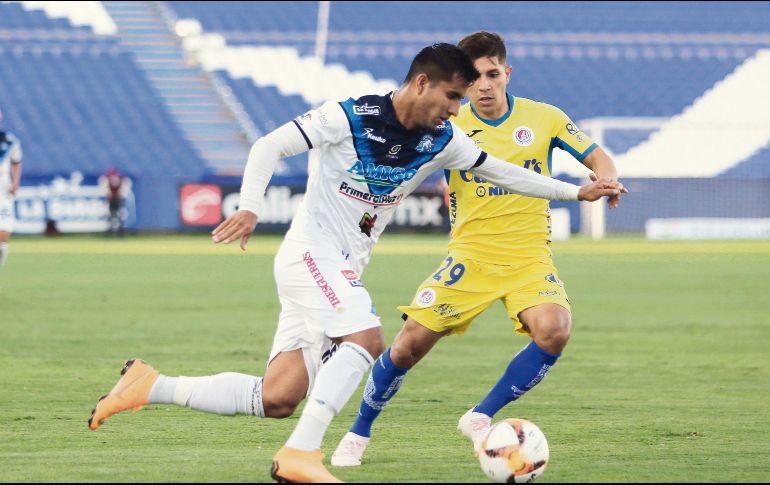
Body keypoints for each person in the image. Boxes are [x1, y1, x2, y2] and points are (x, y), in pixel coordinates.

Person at [87, 43, 622, 483]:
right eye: (453, 96)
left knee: (277, 396)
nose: (458, 109)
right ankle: (301, 455)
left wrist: (576, 192)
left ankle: (150, 385)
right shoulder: (350, 116)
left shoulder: (442, 139)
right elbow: (269, 146)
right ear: (422, 84)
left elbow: (503, 172)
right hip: (310, 255)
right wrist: (250, 206)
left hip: (339, 267)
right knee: (366, 339)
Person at [332, 32, 627, 467]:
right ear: (461, 83)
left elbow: (597, 155)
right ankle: (358, 432)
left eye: (492, 74)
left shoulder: (544, 118)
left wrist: (607, 178)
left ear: (507, 73)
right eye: (474, 79)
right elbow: (400, 181)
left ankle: (481, 414)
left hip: (529, 256)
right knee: (407, 346)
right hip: (469, 258)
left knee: (555, 329)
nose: (484, 85)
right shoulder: (448, 130)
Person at [0, 109, 23, 268]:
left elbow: (16, 162)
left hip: (2, 190)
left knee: (3, 233)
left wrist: (15, 183)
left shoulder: (9, 141)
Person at [100, 167, 130, 236]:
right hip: (112, 199)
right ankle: (111, 230)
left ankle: (119, 230)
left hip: (117, 199)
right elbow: (105, 187)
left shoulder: (119, 178)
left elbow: (125, 185)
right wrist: (109, 193)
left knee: (118, 214)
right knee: (111, 214)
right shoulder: (108, 178)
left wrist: (121, 194)